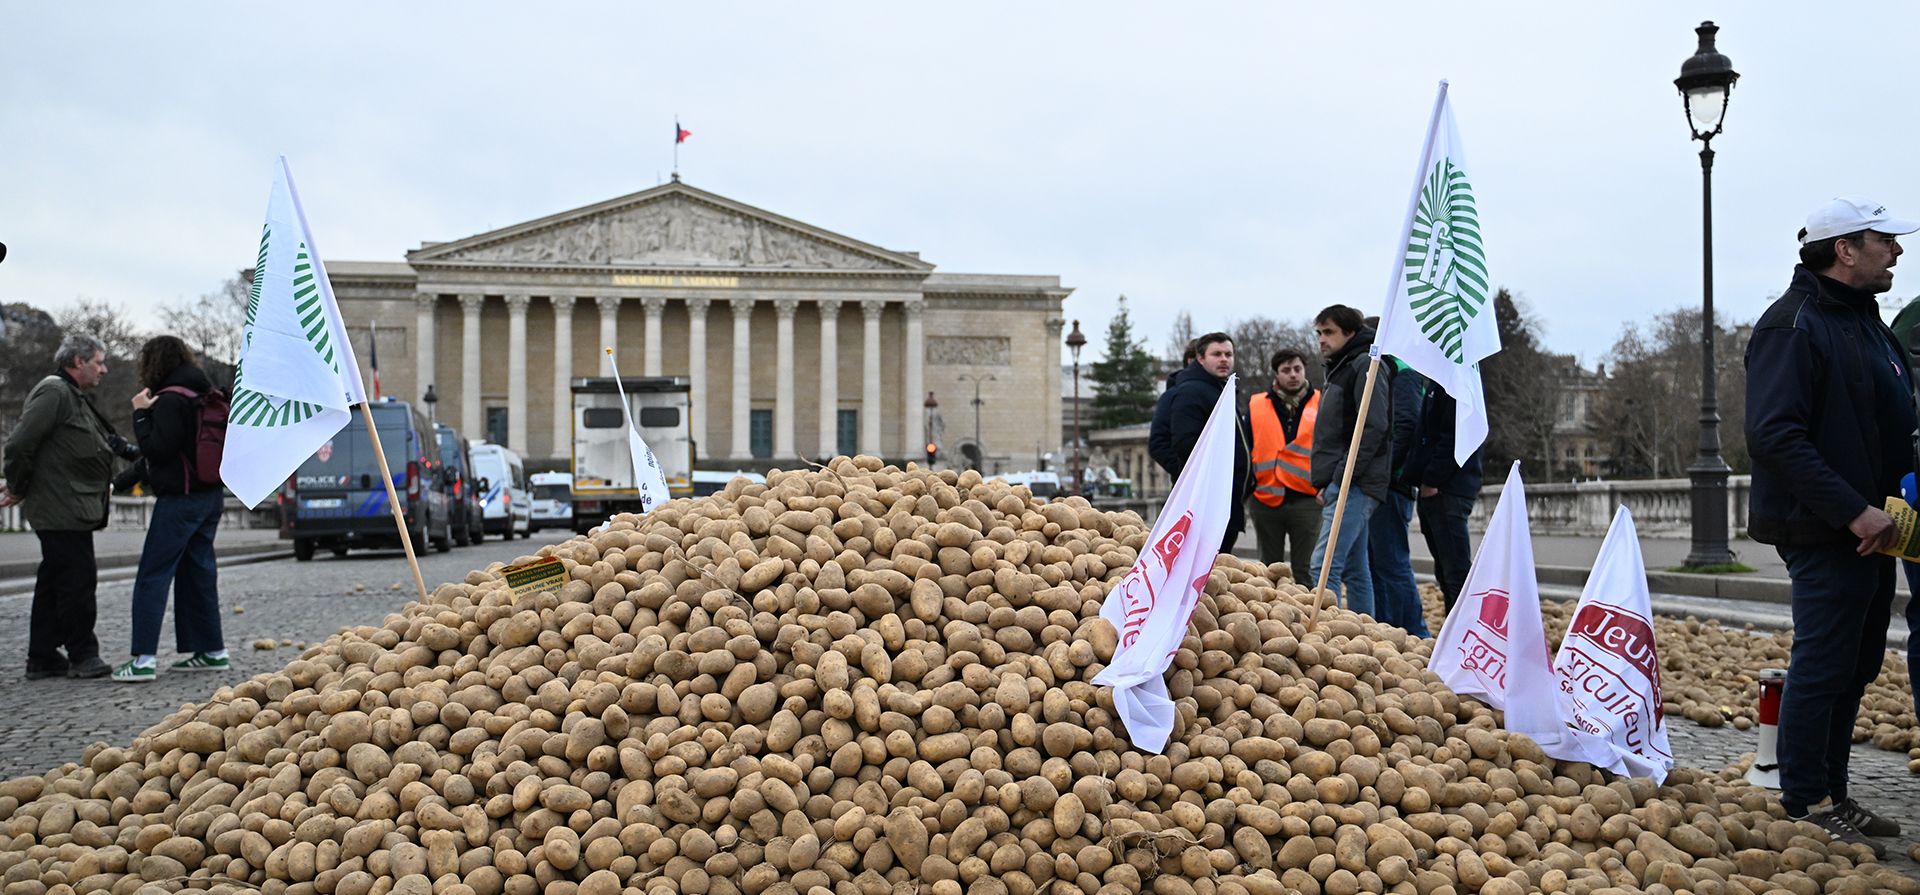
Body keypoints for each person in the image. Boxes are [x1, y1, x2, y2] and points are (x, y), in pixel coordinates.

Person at [1745, 197, 1919, 856]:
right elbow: (1774, 435)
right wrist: (1853, 508)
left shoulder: (1863, 321)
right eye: (1884, 241)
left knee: (1855, 664)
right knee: (1822, 664)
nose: (1896, 252)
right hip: (1826, 529)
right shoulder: (1792, 325)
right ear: (1845, 248)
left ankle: (1833, 792)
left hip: (1877, 529)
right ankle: (1805, 802)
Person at [0, 334, 120, 680]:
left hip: (67, 504)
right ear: (78, 361)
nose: (104, 369)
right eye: (98, 362)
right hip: (61, 506)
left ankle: (42, 655)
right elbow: (21, 443)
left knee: (54, 579)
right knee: (76, 581)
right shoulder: (54, 392)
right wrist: (18, 486)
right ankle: (82, 653)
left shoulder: (68, 394)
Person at [111, 336, 230, 683]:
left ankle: (143, 659)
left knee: (153, 574)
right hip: (211, 497)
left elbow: (159, 452)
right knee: (199, 573)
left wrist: (140, 415)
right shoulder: (202, 395)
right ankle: (212, 650)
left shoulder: (169, 400)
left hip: (180, 500)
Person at [1308, 305, 1390, 617]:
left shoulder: (1364, 366)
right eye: (1319, 333)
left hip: (1354, 483)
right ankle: (1362, 631)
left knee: (1324, 566)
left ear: (1350, 333)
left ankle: (1327, 634)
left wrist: (1340, 477)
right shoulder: (1341, 366)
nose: (1322, 339)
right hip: (1344, 481)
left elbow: (1373, 426)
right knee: (1356, 569)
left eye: (1329, 332)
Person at [1148, 331, 1251, 551]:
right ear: (1200, 358)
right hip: (1208, 501)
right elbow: (1185, 445)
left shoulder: (1222, 389)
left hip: (1226, 498)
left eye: (1228, 354)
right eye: (1217, 354)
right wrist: (1195, 478)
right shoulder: (1192, 392)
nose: (1224, 359)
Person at [1407, 381, 1483, 615]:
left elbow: (1452, 437)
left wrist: (1432, 479)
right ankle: (1457, 630)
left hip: (1446, 490)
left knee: (1455, 573)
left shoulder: (1455, 381)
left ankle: (1462, 632)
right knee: (1447, 571)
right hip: (1442, 489)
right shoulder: (1443, 381)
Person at [1246, 349, 1321, 572]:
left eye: (1297, 369)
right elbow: (1245, 446)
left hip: (1308, 498)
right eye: (1286, 370)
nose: (1293, 375)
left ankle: (1308, 607)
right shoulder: (1256, 405)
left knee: (1306, 569)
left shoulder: (1322, 401)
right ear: (1276, 374)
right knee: (1269, 569)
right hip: (1266, 497)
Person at [1369, 356, 1427, 636]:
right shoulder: (1393, 373)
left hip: (1390, 486)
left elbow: (1407, 424)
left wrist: (1385, 473)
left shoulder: (1402, 374)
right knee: (1379, 565)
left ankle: (1414, 633)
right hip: (1382, 483)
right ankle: (1388, 627)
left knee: (1392, 564)